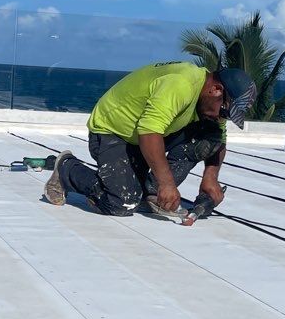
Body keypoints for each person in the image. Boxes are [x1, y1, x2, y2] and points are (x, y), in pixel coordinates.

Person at [42, 62, 257, 217]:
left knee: (207, 138)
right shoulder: (181, 84)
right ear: (215, 89)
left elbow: (218, 137)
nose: (222, 117)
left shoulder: (207, 99)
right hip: (112, 133)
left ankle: (152, 193)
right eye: (224, 112)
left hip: (142, 138)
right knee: (122, 203)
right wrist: (168, 183)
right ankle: (67, 169)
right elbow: (149, 133)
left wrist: (211, 177)